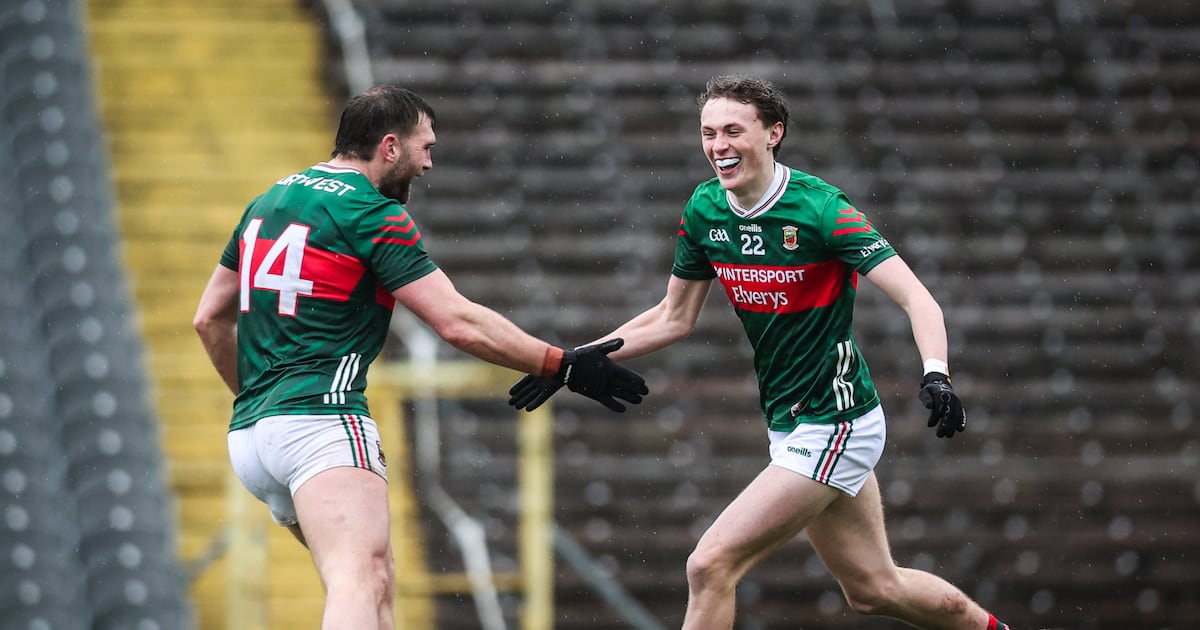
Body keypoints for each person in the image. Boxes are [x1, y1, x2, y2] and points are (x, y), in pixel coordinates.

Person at [508, 75, 1011, 630]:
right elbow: (673, 317)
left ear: (774, 134)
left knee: (709, 564)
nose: (718, 146)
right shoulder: (705, 209)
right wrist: (576, 358)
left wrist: (936, 374)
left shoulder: (822, 210)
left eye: (732, 131)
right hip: (792, 424)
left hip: (835, 420)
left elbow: (918, 298)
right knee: (874, 589)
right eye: (708, 133)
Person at [192, 85, 648, 630]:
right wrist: (561, 363)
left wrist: (258, 399)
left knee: (373, 585)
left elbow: (209, 317)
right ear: (390, 146)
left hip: (252, 435)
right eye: (424, 146)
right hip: (321, 423)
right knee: (359, 582)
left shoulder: (268, 201)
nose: (429, 161)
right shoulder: (370, 212)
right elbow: (456, 321)